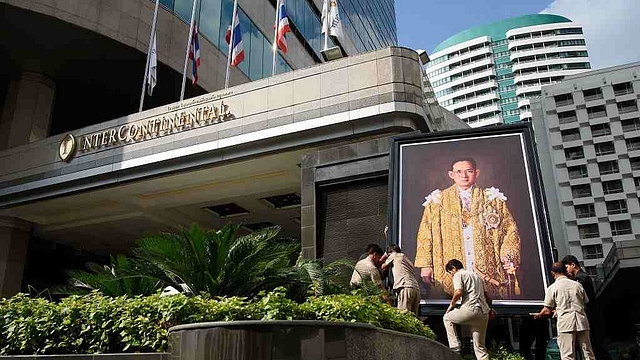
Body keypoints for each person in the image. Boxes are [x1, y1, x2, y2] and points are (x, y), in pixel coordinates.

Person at [415, 158, 522, 299]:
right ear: (451, 175)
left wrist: (508, 257)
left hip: (485, 266)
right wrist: (426, 265)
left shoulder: (492, 199)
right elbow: (425, 233)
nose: (464, 176)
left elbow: (510, 230)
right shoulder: (437, 201)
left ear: (476, 173)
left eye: (469, 171)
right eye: (459, 172)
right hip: (450, 262)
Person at [534, 262, 595, 360]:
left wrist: (539, 314)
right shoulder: (577, 285)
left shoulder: (553, 288)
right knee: (588, 353)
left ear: (553, 273)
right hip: (582, 321)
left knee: (567, 355)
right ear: (565, 271)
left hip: (566, 323)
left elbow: (547, 310)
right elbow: (585, 303)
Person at [443, 259, 493, 360]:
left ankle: (455, 347)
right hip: (483, 314)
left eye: (450, 273)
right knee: (480, 347)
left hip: (470, 309)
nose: (451, 275)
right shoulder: (478, 277)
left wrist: (451, 306)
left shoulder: (458, 274)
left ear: (454, 268)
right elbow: (488, 297)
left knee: (447, 318)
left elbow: (458, 292)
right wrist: (490, 309)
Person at [561, 255, 608, 360]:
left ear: (573, 265)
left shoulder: (580, 278)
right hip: (592, 318)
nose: (566, 272)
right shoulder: (584, 277)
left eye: (566, 268)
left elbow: (579, 300)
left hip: (590, 319)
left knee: (594, 349)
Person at [381, 244, 421, 315]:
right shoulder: (405, 258)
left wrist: (385, 256)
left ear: (390, 252)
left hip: (405, 287)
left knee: (403, 316)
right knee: (414, 318)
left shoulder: (395, 255)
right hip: (415, 289)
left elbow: (383, 266)